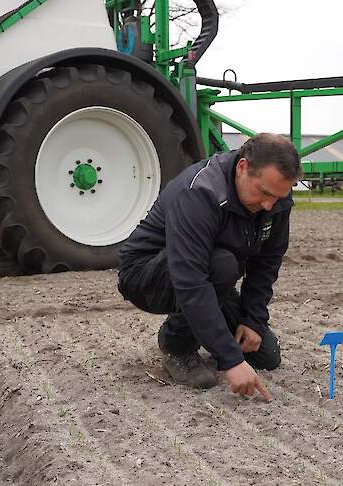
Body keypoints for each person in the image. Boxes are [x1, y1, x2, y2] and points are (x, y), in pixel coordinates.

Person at [117, 133, 301, 401]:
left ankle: (214, 331)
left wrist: (253, 319)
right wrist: (230, 360)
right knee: (223, 264)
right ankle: (176, 344)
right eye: (263, 193)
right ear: (243, 167)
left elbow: (267, 262)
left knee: (266, 355)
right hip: (149, 275)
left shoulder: (276, 197)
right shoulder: (200, 192)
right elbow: (190, 279)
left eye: (278, 196)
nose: (268, 205)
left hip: (211, 276)